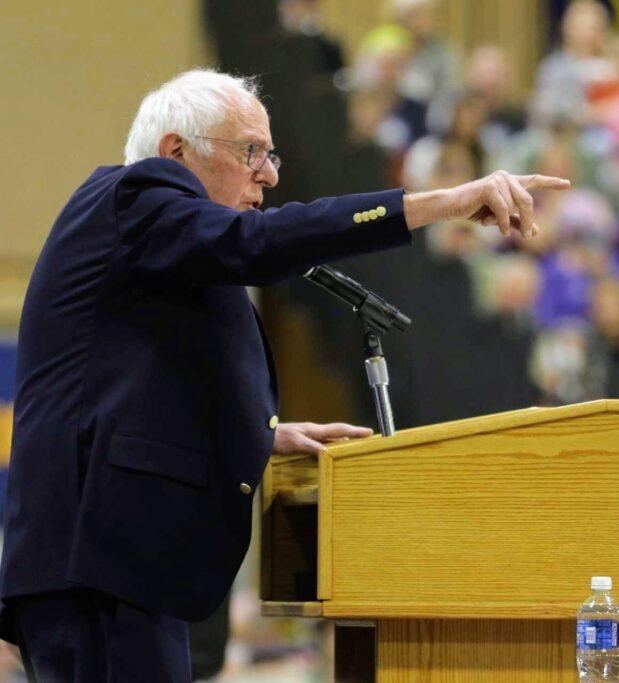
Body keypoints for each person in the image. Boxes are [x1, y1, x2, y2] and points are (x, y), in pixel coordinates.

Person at [0, 69, 569, 680]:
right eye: (250, 152)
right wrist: (445, 201)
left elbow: (124, 383)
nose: (268, 174)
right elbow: (257, 242)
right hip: (98, 564)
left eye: (269, 153)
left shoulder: (158, 242)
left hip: (107, 565)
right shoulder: (136, 196)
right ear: (175, 152)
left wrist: (257, 433)